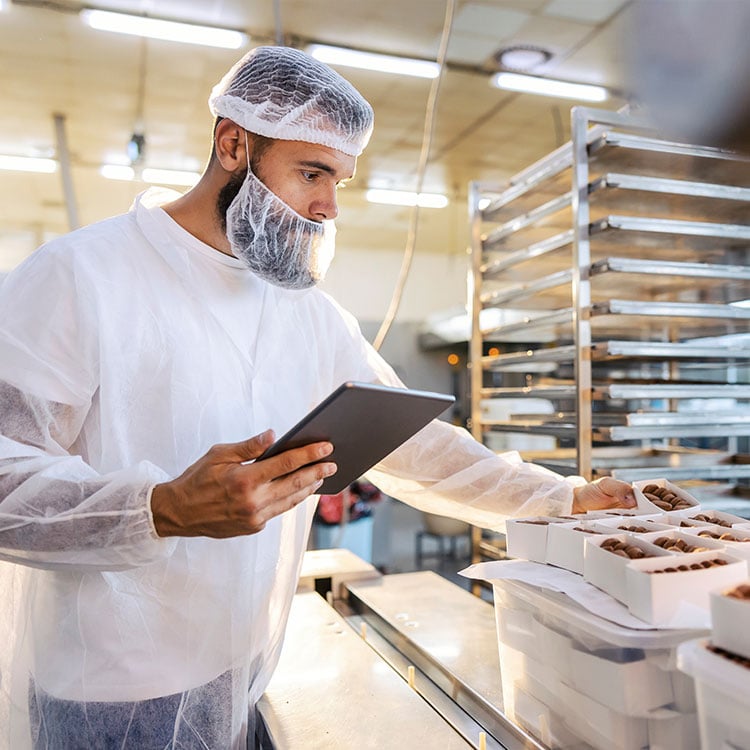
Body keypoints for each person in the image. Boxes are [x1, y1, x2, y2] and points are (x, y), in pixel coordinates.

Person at [0, 45, 635, 749]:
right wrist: (162, 508)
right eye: (312, 172)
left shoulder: (306, 314)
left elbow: (419, 449)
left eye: (341, 180)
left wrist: (562, 498)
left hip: (239, 668)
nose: (329, 205)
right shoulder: (81, 277)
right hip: (110, 691)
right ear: (234, 143)